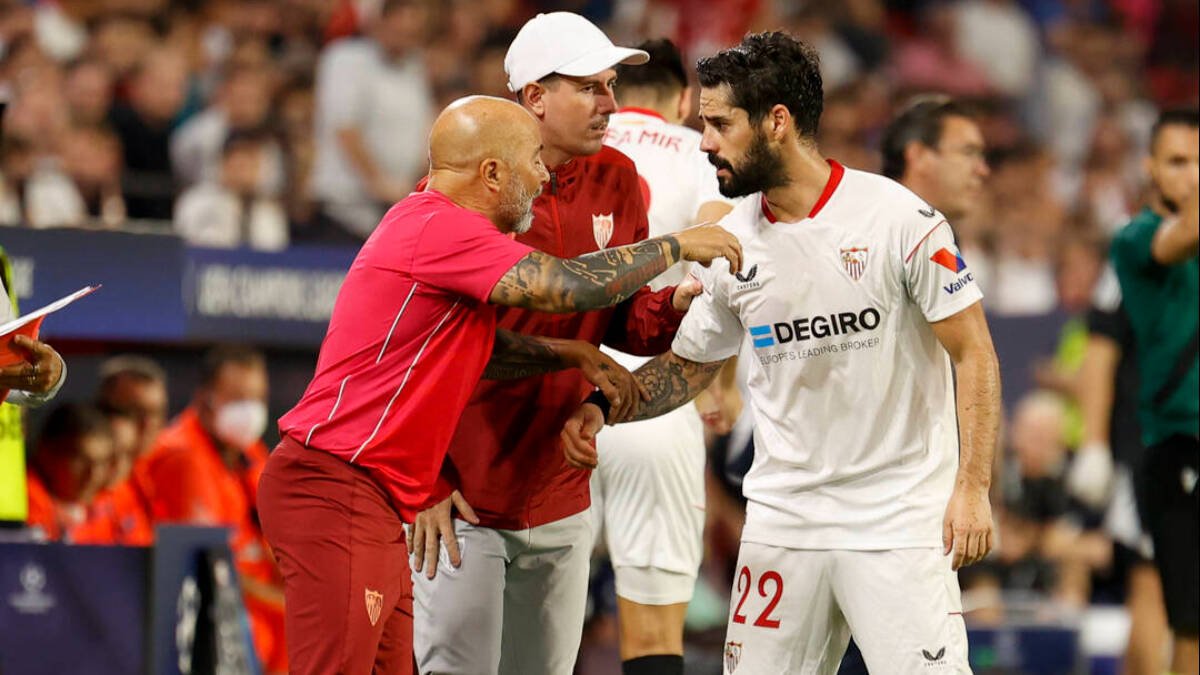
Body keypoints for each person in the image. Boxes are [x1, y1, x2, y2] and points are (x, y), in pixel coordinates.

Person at [562, 32, 1002, 673]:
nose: (704, 140)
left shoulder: (900, 220)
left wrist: (973, 487)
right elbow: (690, 369)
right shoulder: (732, 241)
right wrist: (604, 406)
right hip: (781, 525)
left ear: (777, 122)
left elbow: (975, 354)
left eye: (720, 124)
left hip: (895, 524)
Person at [257, 95, 740, 675]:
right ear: (492, 173)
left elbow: (479, 347)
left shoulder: (441, 231)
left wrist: (569, 352)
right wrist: (677, 244)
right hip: (337, 486)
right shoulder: (441, 225)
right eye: (533, 161)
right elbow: (564, 284)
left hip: (380, 499)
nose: (543, 176)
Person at [410, 16, 714, 675]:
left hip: (561, 487)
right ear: (535, 98)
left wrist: (671, 305)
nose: (611, 103)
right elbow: (417, 337)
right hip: (465, 491)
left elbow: (618, 317)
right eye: (590, 88)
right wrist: (424, 479)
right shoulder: (470, 187)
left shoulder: (621, 176)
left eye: (610, 85)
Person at [591, 37, 734, 674]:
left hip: (558, 390)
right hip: (654, 397)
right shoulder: (703, 155)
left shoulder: (570, 146)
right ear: (682, 100)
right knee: (652, 636)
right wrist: (714, 383)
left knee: (536, 623)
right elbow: (723, 268)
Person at [1109, 107, 1199, 675]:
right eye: (1179, 161)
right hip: (1178, 448)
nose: (1192, 175)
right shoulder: (1135, 239)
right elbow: (1180, 238)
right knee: (1191, 622)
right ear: (1151, 170)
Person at [137, 345, 286, 674]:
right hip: (218, 610)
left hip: (262, 612)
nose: (249, 409)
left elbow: (272, 538)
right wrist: (287, 604)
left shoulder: (247, 452)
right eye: (237, 397)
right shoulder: (183, 456)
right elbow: (209, 568)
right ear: (206, 397)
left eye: (256, 398)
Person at [307, 0, 435, 242]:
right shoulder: (345, 57)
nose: (407, 29)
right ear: (380, 21)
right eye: (400, 22)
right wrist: (380, 183)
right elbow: (345, 130)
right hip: (342, 213)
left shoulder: (414, 66)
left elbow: (425, 130)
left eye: (414, 27)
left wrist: (414, 186)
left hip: (392, 216)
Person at [174, 128, 289, 250]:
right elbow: (191, 246)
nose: (243, 172)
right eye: (237, 163)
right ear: (223, 164)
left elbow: (276, 254)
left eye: (250, 163)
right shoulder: (196, 200)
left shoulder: (269, 210)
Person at [24, 402, 117, 544]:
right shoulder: (22, 501)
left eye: (102, 463)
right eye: (81, 460)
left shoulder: (105, 507)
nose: (93, 475)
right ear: (46, 452)